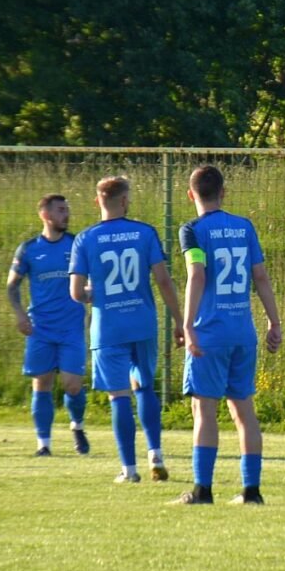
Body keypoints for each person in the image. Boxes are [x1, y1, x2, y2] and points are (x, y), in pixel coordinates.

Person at [170, 165, 282, 505]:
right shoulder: (244, 227)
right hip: (242, 332)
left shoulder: (192, 230)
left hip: (210, 334)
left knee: (203, 409)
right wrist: (274, 322)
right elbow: (260, 277)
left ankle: (202, 490)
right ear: (223, 192)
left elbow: (197, 275)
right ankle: (252, 491)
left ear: (190, 195)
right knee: (244, 411)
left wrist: (187, 325)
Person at [69, 175, 184, 483]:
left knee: (118, 395)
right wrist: (178, 319)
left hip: (108, 328)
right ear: (124, 200)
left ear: (97, 201)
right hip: (142, 323)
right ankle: (155, 453)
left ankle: (129, 470)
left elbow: (76, 293)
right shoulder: (145, 232)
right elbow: (163, 281)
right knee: (144, 387)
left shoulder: (85, 239)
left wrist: (96, 293)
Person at [7, 194, 90, 457]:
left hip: (71, 326)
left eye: (67, 209)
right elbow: (12, 286)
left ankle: (77, 426)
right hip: (40, 328)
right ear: (45, 215)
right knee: (42, 382)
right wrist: (20, 315)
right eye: (61, 210)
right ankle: (43, 444)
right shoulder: (29, 249)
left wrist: (89, 292)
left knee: (72, 384)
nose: (66, 214)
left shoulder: (76, 244)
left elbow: (92, 278)